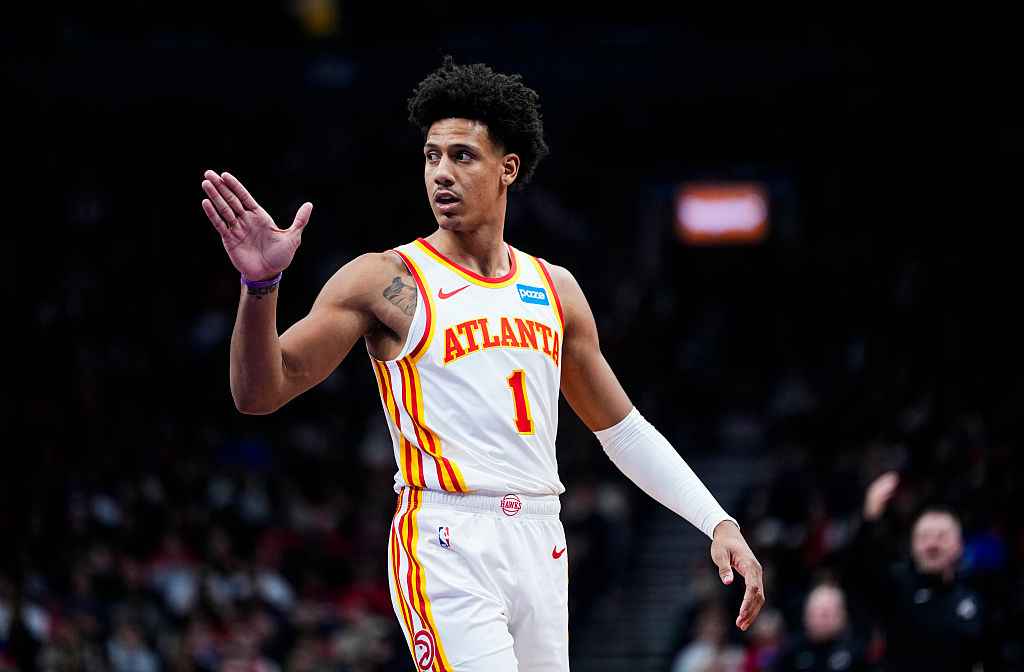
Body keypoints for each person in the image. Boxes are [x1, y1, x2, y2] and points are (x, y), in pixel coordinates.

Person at [200, 55, 764, 671]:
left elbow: (623, 430)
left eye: (462, 156)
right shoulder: (385, 280)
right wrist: (262, 289)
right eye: (431, 156)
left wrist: (717, 521)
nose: (441, 172)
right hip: (446, 535)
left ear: (507, 169)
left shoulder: (555, 289)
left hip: (543, 537)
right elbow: (260, 392)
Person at [850, 471, 994, 672]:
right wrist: (869, 519)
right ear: (913, 546)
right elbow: (856, 573)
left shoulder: (975, 598)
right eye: (924, 537)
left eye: (942, 536)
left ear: (958, 546)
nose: (932, 544)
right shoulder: (895, 587)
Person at [772, 581, 869, 672]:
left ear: (842, 615)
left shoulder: (857, 652)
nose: (818, 621)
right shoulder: (792, 650)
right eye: (814, 613)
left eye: (825, 614)